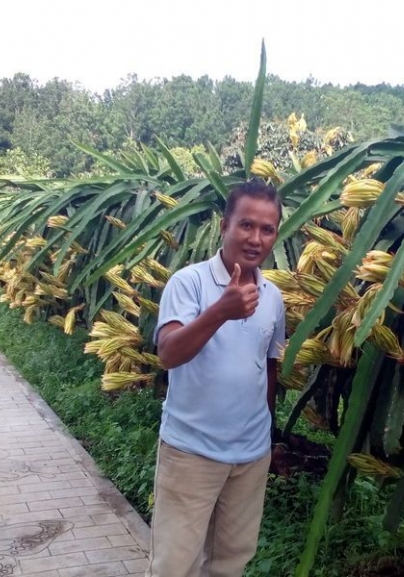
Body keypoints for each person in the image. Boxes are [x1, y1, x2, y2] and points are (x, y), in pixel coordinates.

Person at [146, 179, 286, 577]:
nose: (255, 238)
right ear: (224, 226)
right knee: (174, 566)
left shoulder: (273, 297)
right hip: (190, 452)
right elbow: (168, 354)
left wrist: (268, 435)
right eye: (246, 225)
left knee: (231, 563)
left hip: (250, 457)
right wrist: (220, 311)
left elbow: (269, 365)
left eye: (267, 229)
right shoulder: (188, 283)